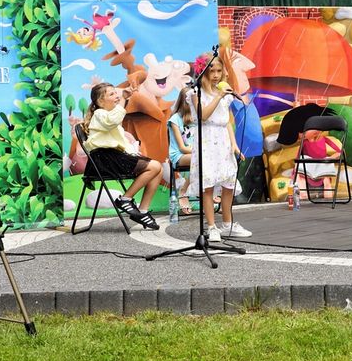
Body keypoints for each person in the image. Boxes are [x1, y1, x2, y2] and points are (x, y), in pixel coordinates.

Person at [187, 53, 252, 242]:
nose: (216, 75)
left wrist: (234, 144)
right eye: (211, 71)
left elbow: (227, 121)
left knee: (228, 183)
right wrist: (218, 96)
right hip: (207, 141)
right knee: (207, 186)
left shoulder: (225, 95)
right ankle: (211, 226)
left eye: (218, 71)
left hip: (223, 141)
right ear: (203, 72)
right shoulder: (195, 93)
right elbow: (203, 115)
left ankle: (227, 224)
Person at [82, 82, 163, 230]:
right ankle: (125, 199)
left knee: (159, 169)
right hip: (104, 159)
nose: (116, 96)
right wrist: (123, 101)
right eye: (111, 94)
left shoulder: (109, 115)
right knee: (155, 166)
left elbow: (121, 141)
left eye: (116, 92)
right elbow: (111, 122)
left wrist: (133, 153)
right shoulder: (100, 114)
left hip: (114, 156)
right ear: (100, 101)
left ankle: (142, 211)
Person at [168, 87, 196, 215]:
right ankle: (183, 191)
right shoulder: (175, 119)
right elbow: (182, 148)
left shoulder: (198, 117)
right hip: (179, 155)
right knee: (201, 159)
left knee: (209, 159)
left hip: (198, 153)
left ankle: (213, 191)